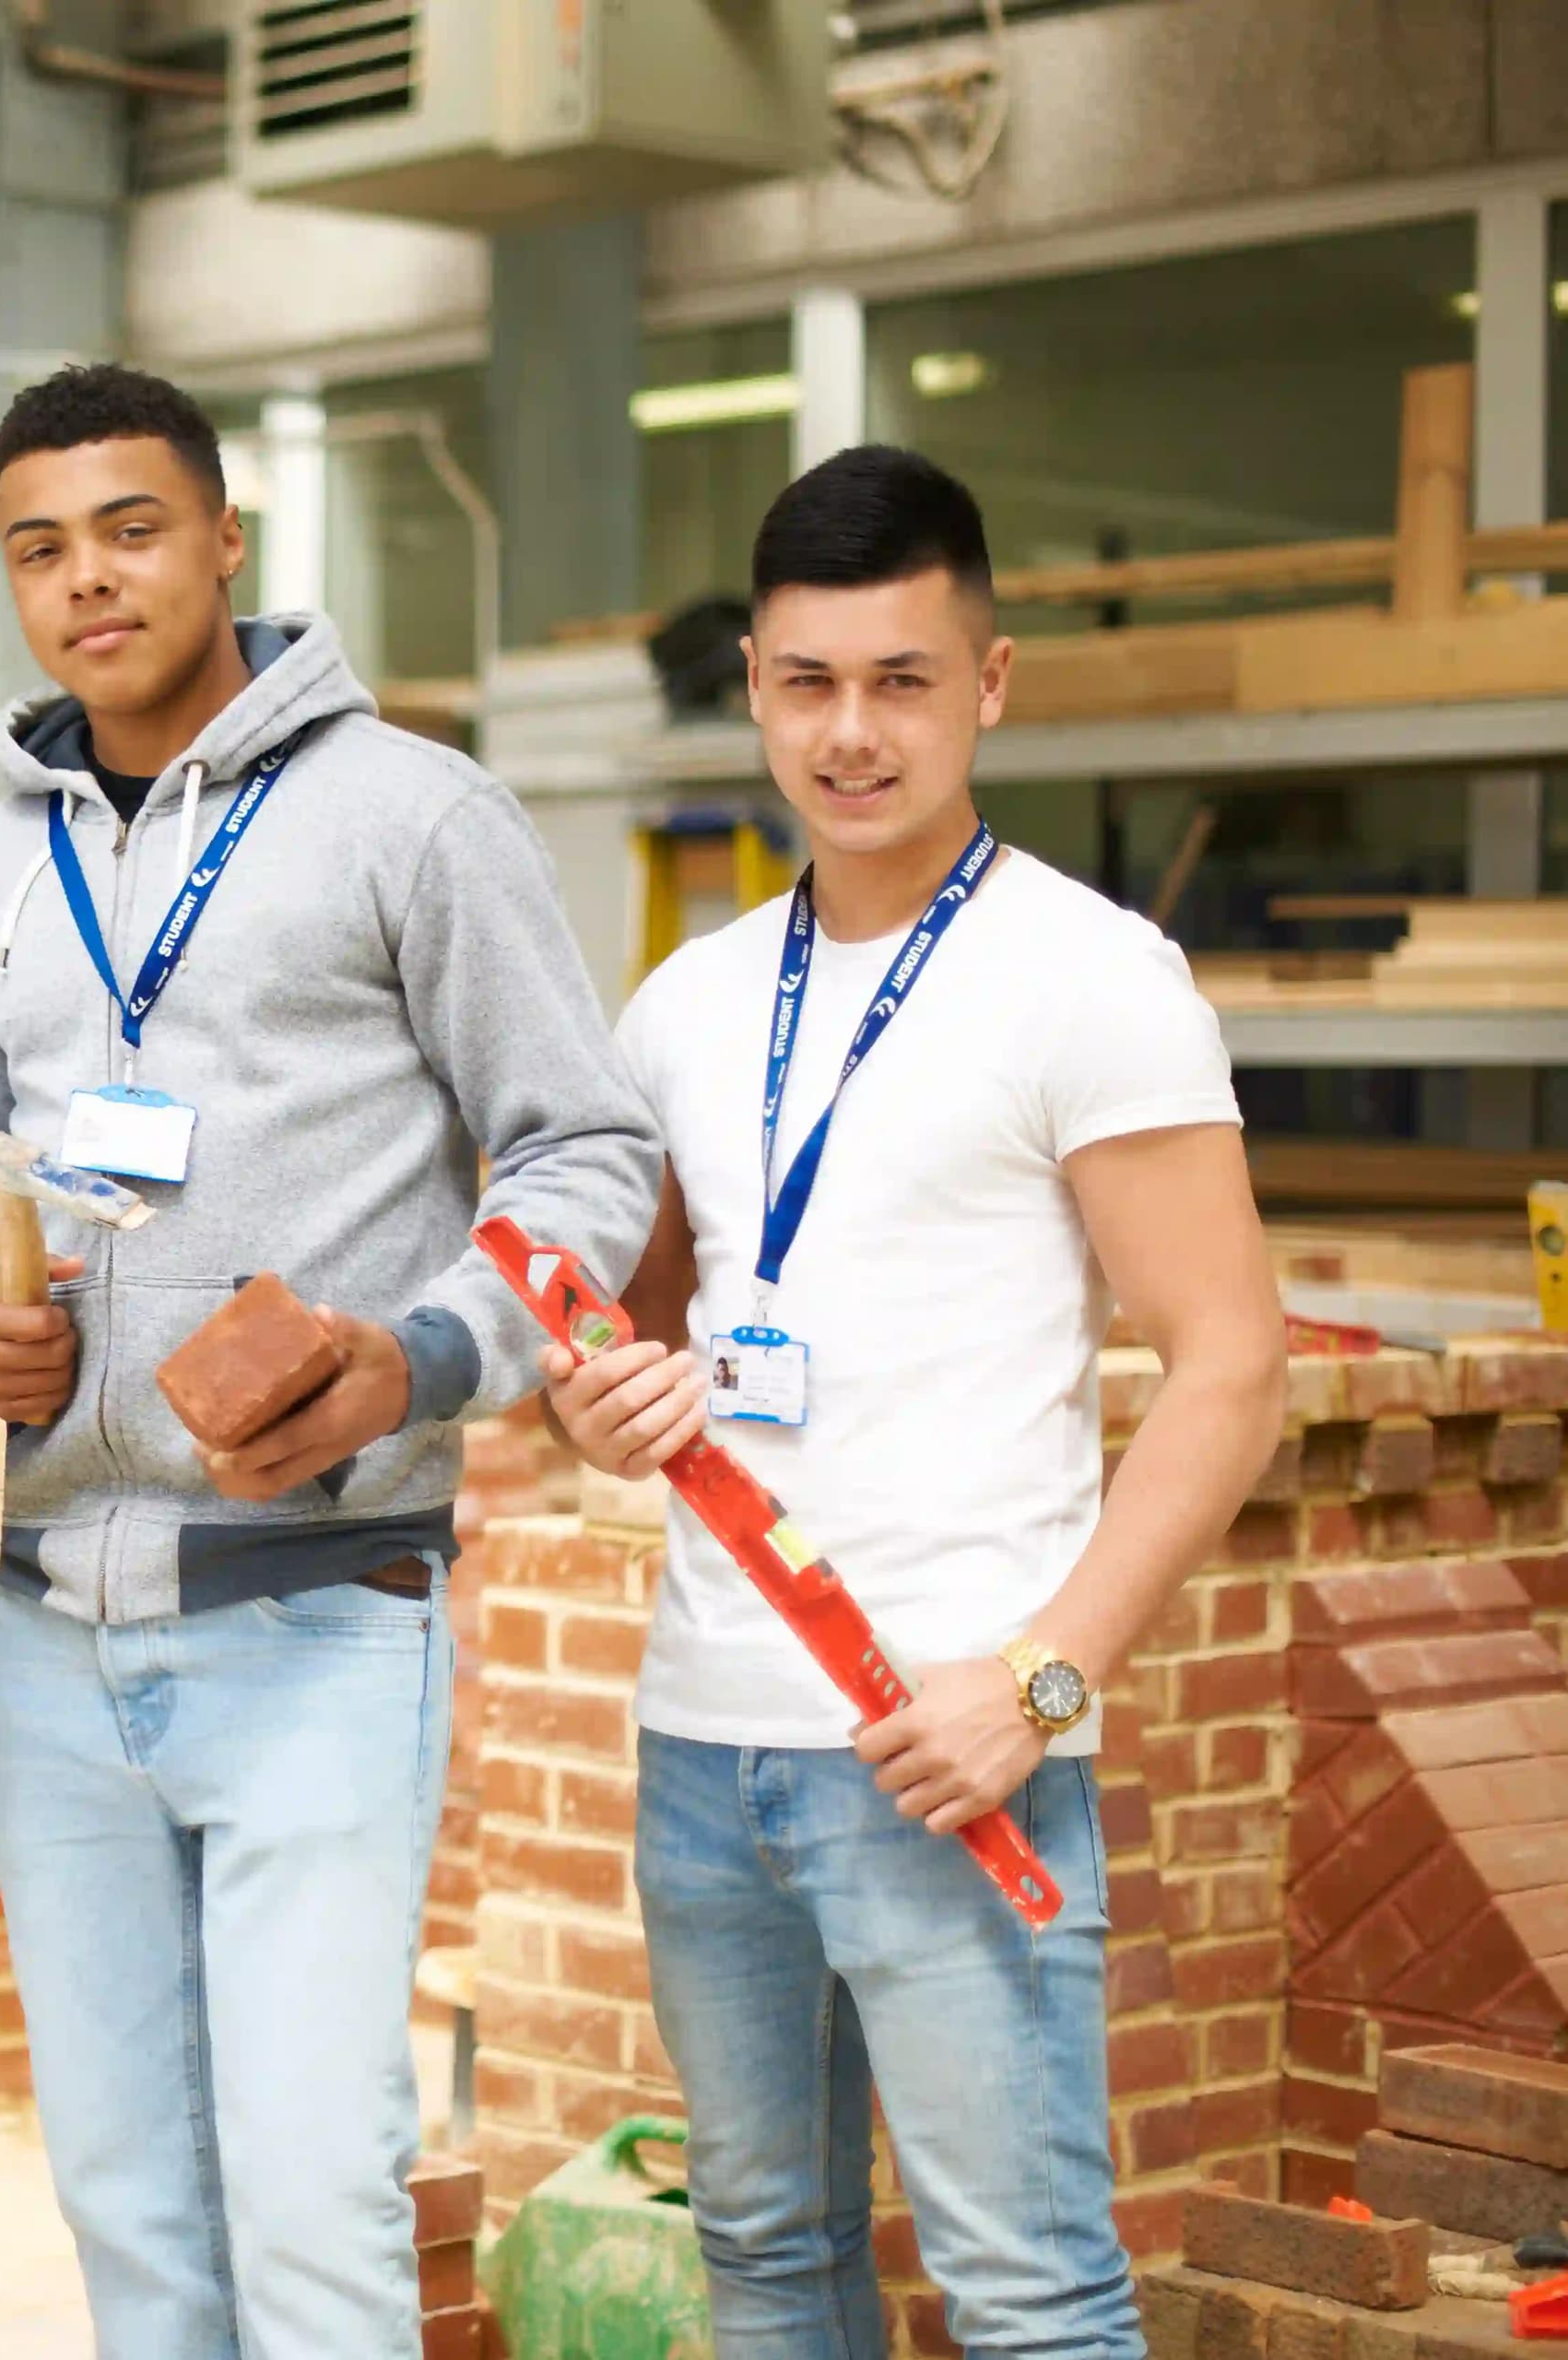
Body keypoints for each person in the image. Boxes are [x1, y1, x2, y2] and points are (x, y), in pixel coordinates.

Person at [0, 362, 663, 2354]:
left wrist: (427, 1353)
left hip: (317, 1616)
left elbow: (591, 1151)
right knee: (130, 2213)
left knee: (319, 2207)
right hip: (43, 1634)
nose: (90, 581)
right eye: (41, 548)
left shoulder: (413, 817)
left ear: (230, 538)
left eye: (133, 528)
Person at [541, 445, 1287, 2354]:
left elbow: (1232, 1367)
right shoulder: (688, 1002)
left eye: (901, 679)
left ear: (991, 681)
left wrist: (1039, 1683)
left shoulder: (1093, 979)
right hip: (707, 1748)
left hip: (951, 1752)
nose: (850, 731)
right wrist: (596, 1400)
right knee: (770, 2259)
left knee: (1029, 2292)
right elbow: (622, 1345)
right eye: (807, 681)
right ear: (761, 689)